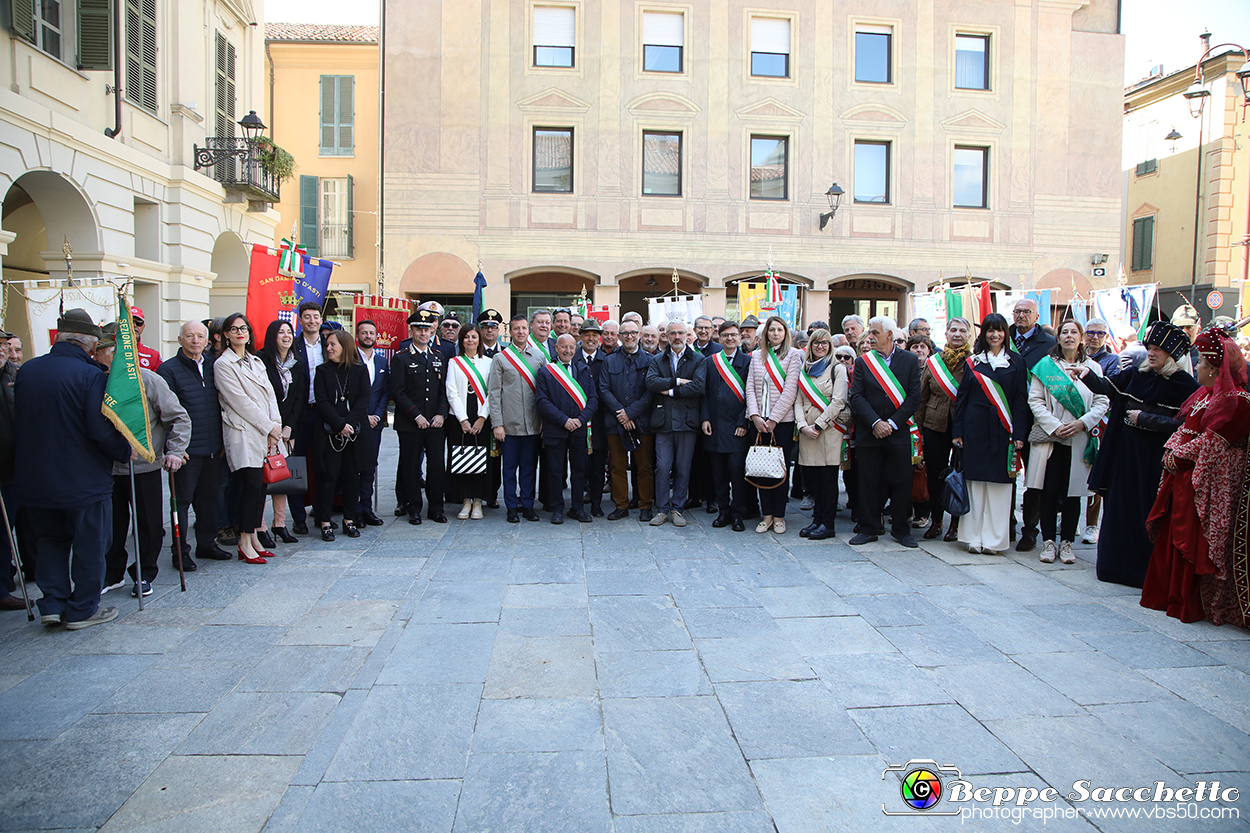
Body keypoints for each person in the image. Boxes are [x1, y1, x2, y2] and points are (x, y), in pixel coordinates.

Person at [14, 310, 132, 628]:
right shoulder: (91, 375)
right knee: (90, 543)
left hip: (35, 478)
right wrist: (125, 450)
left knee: (49, 540)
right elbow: (99, 429)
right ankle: (82, 608)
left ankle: (52, 603)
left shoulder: (28, 370)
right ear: (90, 345)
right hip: (83, 480)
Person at [1141, 327, 1249, 625]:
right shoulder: (1203, 395)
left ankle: (1195, 601)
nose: (1196, 366)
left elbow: (1213, 440)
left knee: (1195, 539)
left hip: (1210, 480)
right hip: (1186, 475)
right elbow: (1184, 428)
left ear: (1215, 370)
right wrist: (1173, 449)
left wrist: (1178, 454)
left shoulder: (1237, 401)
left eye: (1201, 362)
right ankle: (1169, 595)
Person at [1085, 321, 1199, 587]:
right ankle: (1114, 568)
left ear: (1172, 354)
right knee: (1120, 507)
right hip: (1125, 455)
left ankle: (1143, 572)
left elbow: (1184, 425)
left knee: (1146, 511)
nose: (1152, 353)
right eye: (1150, 347)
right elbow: (1106, 387)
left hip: (1155, 461)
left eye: (1158, 349)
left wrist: (1145, 419)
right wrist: (1084, 374)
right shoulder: (1137, 374)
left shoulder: (1185, 385)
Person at [95, 327, 190, 597]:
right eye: (104, 351)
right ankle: (112, 573)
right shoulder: (95, 381)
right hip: (108, 468)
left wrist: (174, 450)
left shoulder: (148, 380)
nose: (105, 356)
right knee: (112, 526)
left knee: (148, 525)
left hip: (144, 466)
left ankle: (144, 572)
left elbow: (179, 417)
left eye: (111, 351)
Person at [1024, 321, 1110, 565]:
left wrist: (1083, 423)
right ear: (1058, 338)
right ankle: (1049, 542)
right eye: (1065, 332)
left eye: (1074, 332)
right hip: (1053, 438)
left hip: (1080, 437)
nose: (1069, 336)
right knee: (1048, 491)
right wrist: (1055, 425)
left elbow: (1102, 401)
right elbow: (1036, 401)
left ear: (1081, 337)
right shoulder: (1045, 367)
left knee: (1074, 494)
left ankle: (1067, 542)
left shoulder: (1093, 367)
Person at [157, 321, 232, 570]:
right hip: (186, 451)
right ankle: (180, 551)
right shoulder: (168, 370)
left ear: (208, 340)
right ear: (180, 340)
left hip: (213, 447)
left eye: (200, 336)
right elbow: (164, 413)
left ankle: (207, 544)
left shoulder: (215, 366)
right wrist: (175, 447)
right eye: (189, 336)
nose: (195, 340)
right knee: (182, 501)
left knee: (209, 499)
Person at [952, 313, 1029, 555]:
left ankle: (995, 540)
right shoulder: (973, 362)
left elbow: (1020, 401)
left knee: (999, 486)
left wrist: (1019, 434)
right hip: (975, 429)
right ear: (984, 334)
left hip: (1003, 430)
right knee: (975, 484)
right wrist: (958, 431)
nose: (995, 335)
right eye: (990, 331)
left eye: (1000, 330)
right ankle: (972, 537)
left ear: (1006, 334)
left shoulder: (1016, 362)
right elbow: (962, 398)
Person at [847, 316, 923, 547]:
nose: (870, 336)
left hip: (898, 432)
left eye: (875, 332)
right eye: (870, 332)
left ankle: (901, 529)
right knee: (868, 481)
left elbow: (914, 397)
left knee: (901, 482)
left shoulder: (909, 360)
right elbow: (856, 397)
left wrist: (891, 423)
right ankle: (869, 527)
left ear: (889, 335)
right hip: (870, 432)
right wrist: (875, 423)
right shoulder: (863, 362)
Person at [214, 313, 283, 563]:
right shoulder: (223, 364)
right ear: (225, 334)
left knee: (261, 487)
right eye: (234, 329)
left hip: (266, 432)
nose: (240, 332)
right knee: (250, 486)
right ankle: (244, 542)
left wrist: (276, 425)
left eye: (244, 328)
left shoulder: (255, 360)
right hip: (244, 431)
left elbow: (270, 395)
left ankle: (253, 536)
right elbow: (240, 402)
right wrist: (268, 427)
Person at [1007, 298, 1058, 552]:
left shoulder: (1049, 344)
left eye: (1027, 312)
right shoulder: (1002, 338)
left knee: (1035, 478)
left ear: (1037, 316)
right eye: (1017, 311)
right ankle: (1007, 525)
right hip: (1004, 417)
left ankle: (1030, 531)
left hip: (1035, 419)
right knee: (1005, 475)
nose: (1021, 316)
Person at [745, 315, 803, 534]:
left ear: (785, 333)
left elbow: (791, 390)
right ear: (766, 334)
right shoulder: (756, 357)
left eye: (779, 330)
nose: (775, 333)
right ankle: (766, 514)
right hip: (758, 423)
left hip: (782, 423)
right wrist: (755, 416)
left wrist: (773, 420)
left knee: (780, 469)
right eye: (772, 330)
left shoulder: (794, 355)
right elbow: (749, 387)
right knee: (761, 469)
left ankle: (779, 516)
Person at [645, 320, 706, 527]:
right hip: (663, 422)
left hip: (687, 422)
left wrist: (669, 391)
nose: (677, 337)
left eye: (681, 333)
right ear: (667, 336)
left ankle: (677, 508)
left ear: (689, 335)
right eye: (673, 333)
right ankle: (662, 509)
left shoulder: (698, 359)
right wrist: (678, 381)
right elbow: (651, 383)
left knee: (683, 467)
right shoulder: (658, 359)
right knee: (662, 467)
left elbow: (698, 387)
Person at [310, 330, 370, 541]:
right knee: (329, 476)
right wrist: (339, 424)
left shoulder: (359, 370)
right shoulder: (322, 371)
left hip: (354, 433)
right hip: (329, 432)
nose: (329, 348)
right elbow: (322, 401)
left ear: (345, 346)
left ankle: (349, 519)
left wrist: (350, 424)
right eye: (327, 345)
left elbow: (364, 399)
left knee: (352, 477)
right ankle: (325, 522)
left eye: (333, 344)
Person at [488, 313, 549, 522]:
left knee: (529, 467)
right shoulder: (500, 358)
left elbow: (544, 393)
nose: (521, 332)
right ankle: (511, 507)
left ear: (528, 330)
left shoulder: (539, 357)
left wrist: (543, 421)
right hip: (509, 425)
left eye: (524, 328)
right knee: (509, 468)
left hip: (533, 424)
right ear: (510, 331)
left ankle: (528, 504)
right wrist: (497, 424)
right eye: (516, 328)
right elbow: (494, 393)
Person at [391, 309, 449, 525]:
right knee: (410, 467)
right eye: (419, 329)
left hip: (435, 423)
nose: (423, 333)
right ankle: (413, 507)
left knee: (436, 467)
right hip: (410, 423)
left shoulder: (438, 357)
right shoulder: (402, 358)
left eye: (427, 329)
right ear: (412, 330)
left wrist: (441, 413)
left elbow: (444, 388)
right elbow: (397, 391)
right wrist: (416, 416)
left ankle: (436, 508)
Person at [917, 318, 971, 541]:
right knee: (936, 475)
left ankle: (956, 522)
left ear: (968, 336)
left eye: (962, 331)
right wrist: (917, 431)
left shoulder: (974, 362)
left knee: (960, 475)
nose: (957, 334)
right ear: (946, 334)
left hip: (964, 427)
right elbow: (921, 398)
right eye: (953, 330)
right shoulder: (933, 363)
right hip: (934, 425)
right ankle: (937, 520)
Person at [535, 334, 598, 524]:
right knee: (555, 471)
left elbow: (593, 399)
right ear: (556, 348)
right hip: (556, 428)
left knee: (579, 470)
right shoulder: (546, 372)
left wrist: (580, 420)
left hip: (579, 429)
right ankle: (556, 508)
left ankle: (577, 508)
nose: (568, 351)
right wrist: (564, 420)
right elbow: (542, 401)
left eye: (571, 347)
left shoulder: (583, 369)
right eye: (564, 347)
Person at [794, 328, 849, 540]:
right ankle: (816, 520)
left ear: (830, 346)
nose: (820, 346)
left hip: (828, 431)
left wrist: (818, 425)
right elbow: (798, 401)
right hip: (807, 433)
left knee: (827, 480)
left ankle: (827, 524)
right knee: (812, 481)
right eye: (816, 343)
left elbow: (838, 401)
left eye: (824, 343)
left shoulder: (837, 369)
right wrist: (801, 426)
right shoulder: (803, 370)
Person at [599, 318, 654, 521]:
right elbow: (603, 389)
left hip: (641, 422)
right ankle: (621, 505)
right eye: (625, 334)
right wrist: (622, 413)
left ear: (639, 334)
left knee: (644, 466)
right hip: (615, 423)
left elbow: (651, 392)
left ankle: (645, 505)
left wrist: (631, 413)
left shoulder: (650, 361)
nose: (629, 336)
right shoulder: (609, 360)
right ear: (620, 337)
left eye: (633, 333)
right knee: (617, 467)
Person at [258, 320, 308, 544]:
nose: (286, 336)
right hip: (265, 428)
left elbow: (300, 398)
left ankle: (279, 523)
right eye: (281, 332)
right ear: (272, 336)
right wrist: (272, 427)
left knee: (281, 476)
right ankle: (259, 526)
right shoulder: (260, 361)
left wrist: (289, 427)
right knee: (262, 478)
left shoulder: (297, 364)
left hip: (286, 431)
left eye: (289, 332)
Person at [701, 320, 753, 532]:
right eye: (725, 335)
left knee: (737, 473)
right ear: (719, 338)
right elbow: (703, 393)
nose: (729, 339)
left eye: (733, 335)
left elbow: (752, 396)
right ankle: (723, 512)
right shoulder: (711, 362)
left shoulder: (749, 363)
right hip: (714, 427)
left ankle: (738, 513)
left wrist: (744, 422)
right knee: (719, 474)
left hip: (737, 429)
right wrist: (704, 418)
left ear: (740, 337)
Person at [445, 324, 492, 519]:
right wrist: (463, 420)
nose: (470, 340)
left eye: (474, 337)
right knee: (461, 458)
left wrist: (482, 418)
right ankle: (465, 500)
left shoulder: (489, 362)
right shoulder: (454, 362)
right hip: (460, 419)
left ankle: (479, 500)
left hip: (482, 418)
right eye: (466, 337)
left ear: (479, 340)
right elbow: (451, 391)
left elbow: (493, 392)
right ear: (461, 340)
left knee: (482, 459)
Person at [289, 301, 325, 533]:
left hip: (323, 415)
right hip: (298, 416)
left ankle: (322, 513)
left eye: (315, 317)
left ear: (321, 320)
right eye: (307, 317)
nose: (312, 321)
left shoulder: (330, 345)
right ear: (300, 320)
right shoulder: (291, 346)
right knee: (296, 467)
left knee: (322, 466)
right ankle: (298, 517)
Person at [354, 320, 390, 526]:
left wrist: (377, 414)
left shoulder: (382, 362)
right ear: (357, 336)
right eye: (364, 333)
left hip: (374, 423)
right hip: (356, 421)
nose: (368, 336)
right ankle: (355, 510)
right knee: (354, 468)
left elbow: (385, 392)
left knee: (370, 466)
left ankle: (367, 509)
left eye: (371, 333)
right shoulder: (350, 359)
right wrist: (362, 416)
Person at [576, 319, 608, 516]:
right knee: (579, 465)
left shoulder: (607, 360)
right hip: (578, 421)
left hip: (599, 422)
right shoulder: (572, 359)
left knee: (598, 466)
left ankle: (596, 503)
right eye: (587, 334)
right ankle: (578, 504)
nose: (591, 338)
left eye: (595, 334)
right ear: (580, 336)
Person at [905, 334, 937, 528]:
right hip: (905, 424)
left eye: (923, 346)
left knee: (922, 470)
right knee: (905, 471)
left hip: (925, 426)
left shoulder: (934, 369)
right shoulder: (903, 368)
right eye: (914, 346)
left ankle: (923, 511)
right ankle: (905, 509)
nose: (918, 350)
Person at [477, 309, 505, 507]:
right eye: (486, 327)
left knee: (496, 456)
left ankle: (492, 494)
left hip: (500, 414)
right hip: (477, 413)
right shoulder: (471, 351)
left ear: (499, 330)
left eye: (493, 327)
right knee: (477, 453)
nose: (489, 331)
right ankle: (475, 491)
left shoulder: (506, 352)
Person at [1170, 304, 1202, 375]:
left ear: (1198, 329)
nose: (1184, 332)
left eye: (1189, 327)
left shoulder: (1204, 358)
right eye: (1180, 327)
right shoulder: (1165, 356)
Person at [129, 306, 162, 370]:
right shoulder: (111, 350)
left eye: (138, 322)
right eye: (130, 322)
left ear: (143, 326)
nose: (134, 325)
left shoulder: (153, 355)